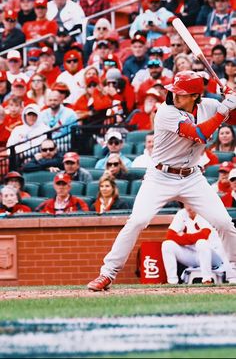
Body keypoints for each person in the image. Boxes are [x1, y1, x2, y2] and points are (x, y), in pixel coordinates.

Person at [87, 71, 236, 291]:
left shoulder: (210, 106)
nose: (175, 96)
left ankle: (234, 270)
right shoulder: (166, 112)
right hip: (160, 176)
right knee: (137, 221)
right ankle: (107, 274)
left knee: (224, 223)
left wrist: (231, 100)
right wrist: (224, 108)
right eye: (174, 91)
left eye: (182, 93)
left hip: (192, 176)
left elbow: (231, 118)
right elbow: (199, 134)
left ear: (195, 96)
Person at [162, 203, 232, 285]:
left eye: (191, 202)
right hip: (193, 255)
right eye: (186, 203)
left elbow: (204, 235)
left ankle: (207, 279)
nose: (189, 206)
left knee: (201, 243)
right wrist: (191, 238)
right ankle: (172, 281)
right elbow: (170, 235)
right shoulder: (181, 213)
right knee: (167, 245)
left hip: (213, 256)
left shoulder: (205, 213)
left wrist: (183, 236)